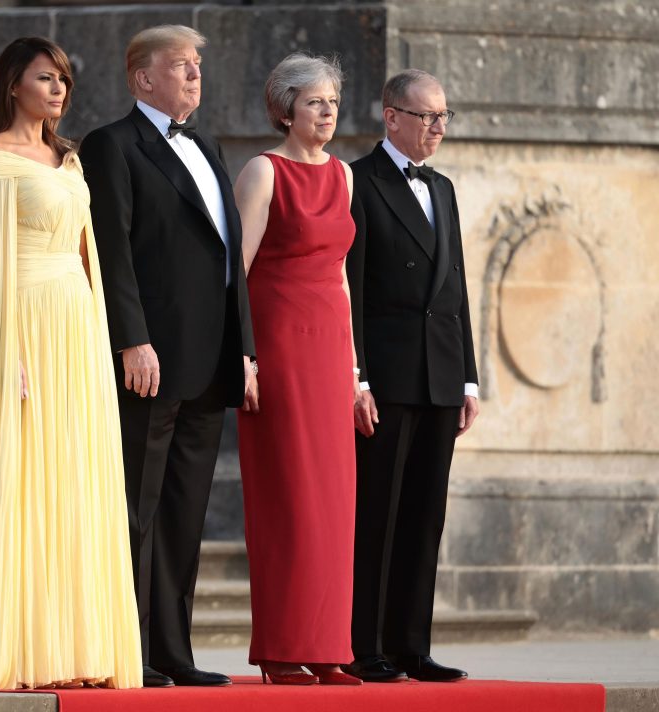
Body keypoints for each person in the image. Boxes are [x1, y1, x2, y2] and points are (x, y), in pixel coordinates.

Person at [0, 37, 141, 691]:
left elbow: (85, 256)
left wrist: (102, 338)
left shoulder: (69, 160)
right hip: (26, 327)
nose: (58, 91)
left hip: (75, 327)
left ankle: (76, 649)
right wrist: (4, 352)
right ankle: (17, 648)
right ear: (13, 83)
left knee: (75, 482)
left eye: (65, 81)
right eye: (46, 78)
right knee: (26, 481)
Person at [78, 25, 256, 689]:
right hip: (148, 359)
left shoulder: (207, 145)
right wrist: (131, 337)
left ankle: (175, 652)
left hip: (210, 362)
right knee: (138, 507)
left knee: (185, 512)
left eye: (198, 66)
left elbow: (229, 260)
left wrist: (245, 350)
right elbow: (111, 247)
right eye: (181, 66)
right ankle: (131, 652)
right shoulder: (111, 146)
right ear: (142, 78)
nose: (194, 76)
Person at [345, 69, 480, 683]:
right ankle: (364, 646)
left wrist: (469, 380)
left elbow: (455, 289)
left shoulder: (444, 187)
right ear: (391, 116)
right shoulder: (360, 181)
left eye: (444, 117)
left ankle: (411, 646)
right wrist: (359, 378)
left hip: (441, 375)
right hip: (389, 376)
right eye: (427, 116)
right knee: (378, 514)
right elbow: (351, 288)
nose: (438, 128)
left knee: (426, 516)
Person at [233, 53, 359, 687]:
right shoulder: (263, 171)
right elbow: (238, 270)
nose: (327, 112)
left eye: (333, 101)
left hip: (331, 351)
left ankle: (327, 646)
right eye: (314, 101)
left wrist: (357, 376)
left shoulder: (344, 176)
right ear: (285, 108)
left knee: (335, 504)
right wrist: (244, 357)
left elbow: (339, 275)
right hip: (280, 349)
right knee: (289, 499)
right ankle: (282, 649)